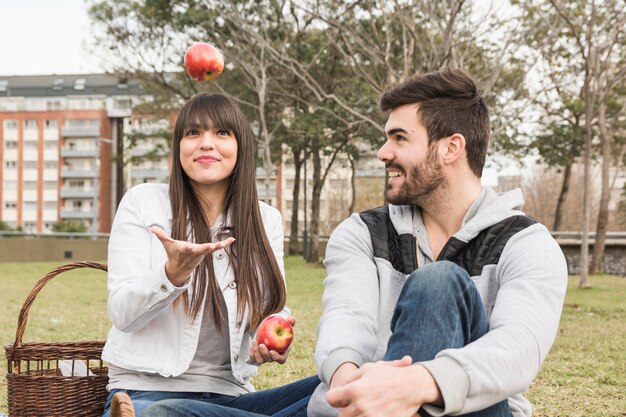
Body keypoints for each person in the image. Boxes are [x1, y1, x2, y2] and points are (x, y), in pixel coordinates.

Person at [307, 68, 568, 417]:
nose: (383, 153)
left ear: (451, 148)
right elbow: (347, 320)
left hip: (475, 409)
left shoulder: (526, 243)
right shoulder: (361, 232)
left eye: (399, 138)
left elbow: (519, 348)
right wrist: (348, 382)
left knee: (438, 282)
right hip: (355, 409)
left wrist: (414, 383)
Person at [101, 92, 319, 417]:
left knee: (339, 386)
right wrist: (171, 275)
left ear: (240, 146)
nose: (206, 143)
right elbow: (122, 314)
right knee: (156, 413)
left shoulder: (264, 219)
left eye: (221, 133)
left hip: (230, 397)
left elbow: (270, 306)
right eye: (193, 133)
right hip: (145, 391)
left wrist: (273, 325)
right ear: (179, 147)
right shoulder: (142, 203)